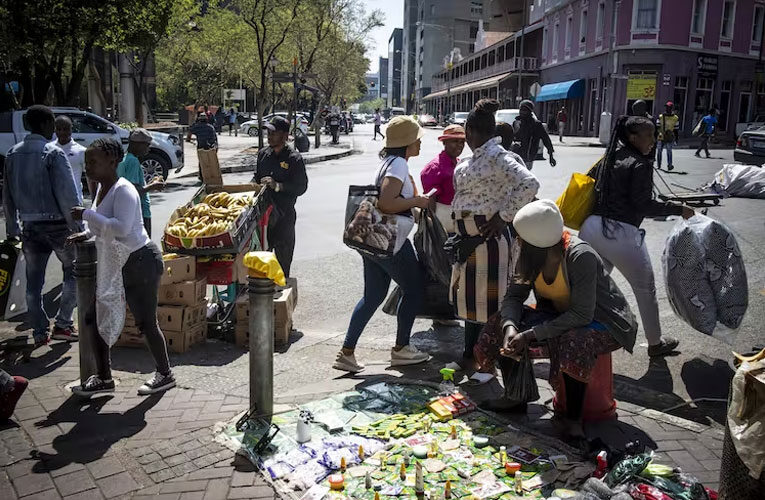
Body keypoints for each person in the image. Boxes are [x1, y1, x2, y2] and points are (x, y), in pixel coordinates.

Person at [483, 200, 637, 440]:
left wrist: (530, 335)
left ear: (535, 243)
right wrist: (511, 327)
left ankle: (573, 419)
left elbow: (582, 315)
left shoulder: (580, 256)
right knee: (499, 323)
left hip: (602, 321)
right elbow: (514, 296)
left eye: (521, 238)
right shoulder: (530, 255)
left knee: (574, 339)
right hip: (557, 314)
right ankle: (516, 395)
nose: (518, 242)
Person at [579, 116, 694, 357]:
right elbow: (643, 205)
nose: (654, 140)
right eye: (649, 135)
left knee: (588, 288)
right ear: (633, 137)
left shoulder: (610, 157)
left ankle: (575, 335)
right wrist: (678, 209)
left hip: (591, 228)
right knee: (645, 289)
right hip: (620, 234)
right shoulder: (639, 164)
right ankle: (655, 343)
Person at [69, 138, 175, 397]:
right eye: (87, 162)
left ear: (113, 161)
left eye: (94, 162)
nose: (88, 167)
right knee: (96, 317)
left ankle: (165, 374)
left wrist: (85, 215)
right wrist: (87, 233)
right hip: (116, 263)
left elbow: (121, 228)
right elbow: (104, 227)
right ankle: (104, 377)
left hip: (140, 261)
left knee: (145, 323)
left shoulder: (123, 189)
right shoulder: (101, 189)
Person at [333, 116, 431, 372]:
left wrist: (412, 203)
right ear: (408, 142)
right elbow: (387, 203)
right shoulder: (398, 164)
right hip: (391, 242)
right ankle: (401, 349)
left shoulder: (388, 161)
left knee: (373, 296)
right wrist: (417, 202)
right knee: (414, 288)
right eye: (417, 138)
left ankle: (347, 352)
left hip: (372, 242)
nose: (420, 142)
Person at [449, 99, 540, 370]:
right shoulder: (475, 158)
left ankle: (493, 359)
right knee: (471, 302)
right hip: (468, 243)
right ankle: (473, 353)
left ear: (470, 131)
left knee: (491, 304)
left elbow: (530, 183)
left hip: (487, 243)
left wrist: (502, 218)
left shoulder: (500, 157)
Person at [3, 105, 81, 346]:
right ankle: (63, 324)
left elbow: (7, 196)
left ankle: (39, 330)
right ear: (47, 125)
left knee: (33, 282)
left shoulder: (12, 154)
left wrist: (12, 228)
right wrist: (78, 228)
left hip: (29, 227)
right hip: (58, 225)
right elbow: (68, 195)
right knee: (75, 272)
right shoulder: (53, 153)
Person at [254, 116, 308, 278]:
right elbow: (256, 177)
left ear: (285, 136)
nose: (269, 136)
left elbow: (301, 187)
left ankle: (282, 295)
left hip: (284, 217)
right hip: (263, 218)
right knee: (262, 263)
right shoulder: (263, 154)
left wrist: (278, 186)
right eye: (268, 132)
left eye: (274, 133)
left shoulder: (294, 159)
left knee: (283, 265)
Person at [117, 129, 164, 237]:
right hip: (140, 212)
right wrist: (153, 186)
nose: (148, 149)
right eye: (147, 145)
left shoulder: (125, 159)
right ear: (137, 145)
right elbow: (133, 190)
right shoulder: (133, 161)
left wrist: (149, 184)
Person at [420, 124, 465, 233]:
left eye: (462, 142)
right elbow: (430, 200)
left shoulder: (460, 163)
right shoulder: (434, 168)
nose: (459, 145)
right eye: (454, 141)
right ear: (444, 142)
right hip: (443, 226)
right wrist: (433, 228)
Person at [51, 116, 87, 202]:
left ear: (71, 129)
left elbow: (90, 177)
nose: (62, 132)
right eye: (59, 129)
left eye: (66, 129)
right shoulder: (49, 149)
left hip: (74, 200)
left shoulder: (81, 151)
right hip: (53, 201)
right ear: (55, 130)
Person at [513, 100, 556, 170]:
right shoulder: (516, 123)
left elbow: (546, 139)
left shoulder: (536, 124)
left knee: (524, 177)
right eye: (521, 109)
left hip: (528, 157)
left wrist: (551, 155)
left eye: (525, 110)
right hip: (516, 156)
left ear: (530, 112)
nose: (522, 112)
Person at [185, 114, 220, 183]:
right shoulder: (210, 127)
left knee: (202, 161)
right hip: (211, 146)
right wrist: (216, 147)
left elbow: (189, 133)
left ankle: (202, 176)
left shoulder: (196, 127)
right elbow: (215, 138)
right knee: (211, 161)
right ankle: (213, 176)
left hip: (201, 146)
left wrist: (189, 139)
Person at [656, 101, 679, 171]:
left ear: (671, 108)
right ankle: (659, 165)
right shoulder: (660, 116)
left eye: (669, 107)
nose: (667, 108)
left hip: (669, 136)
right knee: (659, 151)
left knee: (669, 151)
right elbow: (657, 126)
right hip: (660, 136)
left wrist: (676, 139)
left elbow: (676, 129)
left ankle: (669, 165)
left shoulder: (676, 118)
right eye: (666, 107)